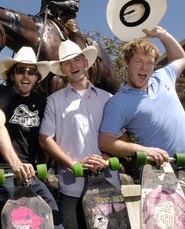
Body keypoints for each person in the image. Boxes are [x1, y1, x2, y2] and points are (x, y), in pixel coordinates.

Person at [99, 26, 185, 229]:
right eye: (138, 62)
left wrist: (163, 35)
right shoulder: (117, 103)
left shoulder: (163, 77)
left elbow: (181, 57)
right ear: (126, 63)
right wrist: (142, 149)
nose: (144, 68)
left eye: (150, 63)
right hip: (161, 179)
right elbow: (106, 141)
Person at [39, 40, 120, 229]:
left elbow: (121, 137)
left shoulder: (107, 99)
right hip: (71, 188)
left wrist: (107, 158)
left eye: (77, 59)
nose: (73, 65)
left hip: (108, 185)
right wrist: (73, 164)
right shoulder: (54, 101)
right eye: (67, 62)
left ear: (85, 62)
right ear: (62, 68)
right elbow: (45, 139)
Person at [0, 46, 64, 228]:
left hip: (31, 175)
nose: (26, 75)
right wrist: (15, 163)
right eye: (21, 70)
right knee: (21, 218)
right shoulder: (1, 94)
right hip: (4, 172)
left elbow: (49, 137)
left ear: (37, 77)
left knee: (54, 217)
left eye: (31, 71)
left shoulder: (41, 102)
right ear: (12, 75)